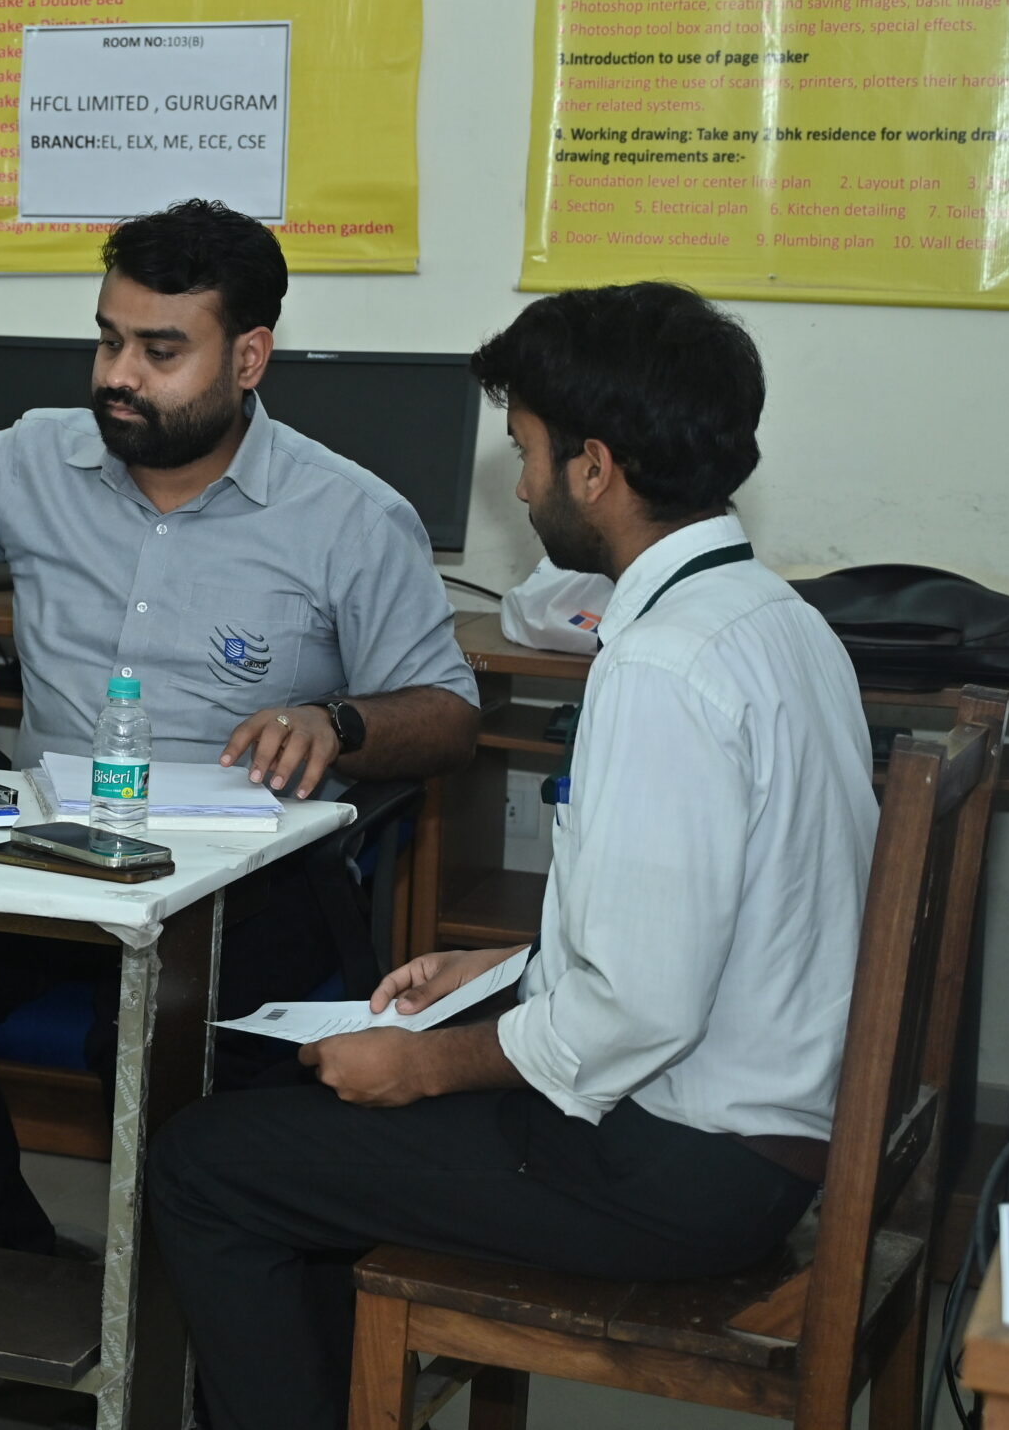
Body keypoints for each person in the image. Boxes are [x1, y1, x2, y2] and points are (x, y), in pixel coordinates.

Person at [0, 198, 483, 1421]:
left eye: (159, 349)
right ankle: (7, 1283)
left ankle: (211, 1341)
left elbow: (447, 711)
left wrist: (339, 721)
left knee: (196, 1057)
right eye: (108, 338)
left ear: (248, 356)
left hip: (240, 877)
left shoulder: (347, 514)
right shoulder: (39, 456)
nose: (119, 374)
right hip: (46, 857)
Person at [146, 282, 874, 1430]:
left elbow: (636, 1008)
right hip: (760, 1130)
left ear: (596, 468)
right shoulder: (776, 619)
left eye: (528, 452)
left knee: (207, 1162)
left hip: (678, 1164)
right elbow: (717, 916)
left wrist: (424, 1065)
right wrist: (509, 969)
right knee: (303, 1133)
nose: (522, 485)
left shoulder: (660, 669)